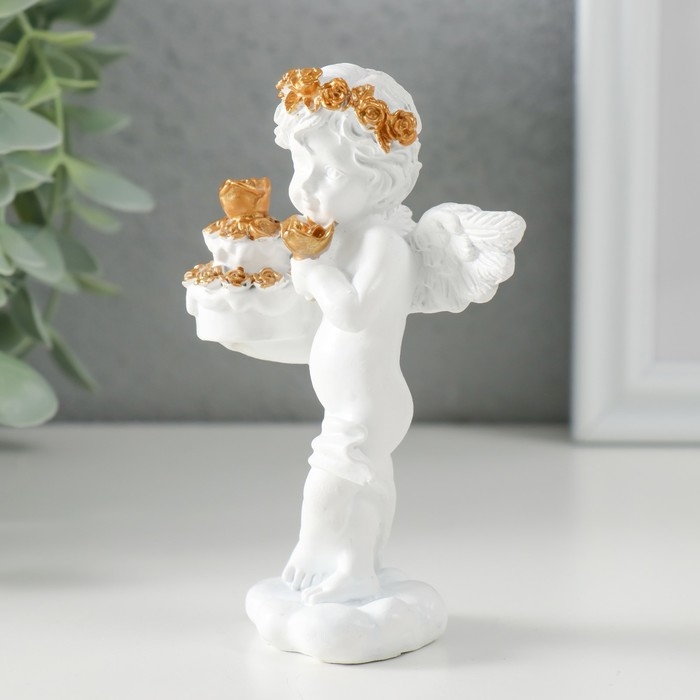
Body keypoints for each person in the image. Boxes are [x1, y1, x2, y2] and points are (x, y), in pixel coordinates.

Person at [274, 64, 525, 604]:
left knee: (330, 480)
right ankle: (358, 570)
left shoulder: (384, 244)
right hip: (354, 399)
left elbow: (352, 312)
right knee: (366, 486)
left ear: (381, 179)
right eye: (300, 164)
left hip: (369, 402)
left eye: (330, 173)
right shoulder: (343, 235)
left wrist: (313, 275)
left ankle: (314, 546)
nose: (306, 186)